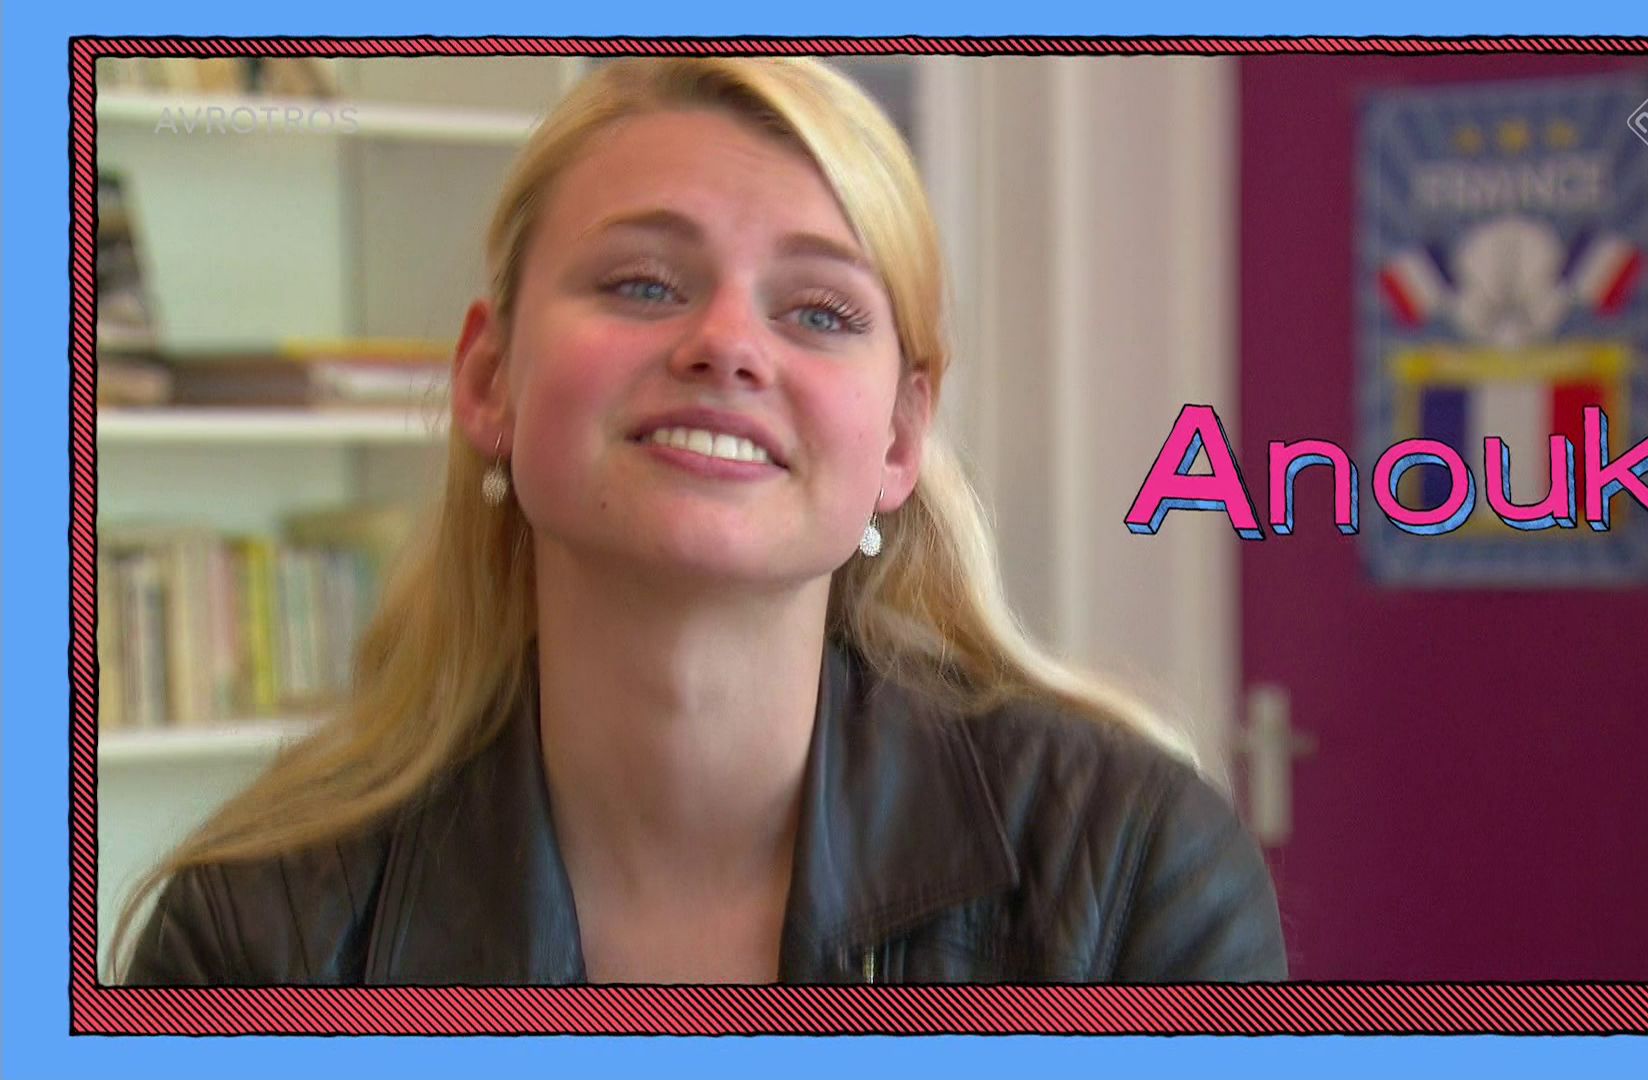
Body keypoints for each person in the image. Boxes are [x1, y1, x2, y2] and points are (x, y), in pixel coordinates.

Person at [111, 56, 1287, 985]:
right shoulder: (254, 933)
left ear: (898, 440)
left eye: (819, 311)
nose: (726, 344)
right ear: (489, 382)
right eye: (642, 284)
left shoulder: (1134, 875)